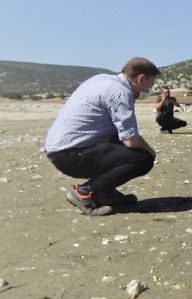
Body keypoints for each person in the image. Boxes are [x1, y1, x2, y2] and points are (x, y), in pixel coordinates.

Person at [43, 57, 159, 216]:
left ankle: (106, 193)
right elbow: (131, 139)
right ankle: (85, 192)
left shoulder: (102, 79)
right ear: (141, 79)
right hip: (70, 155)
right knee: (143, 158)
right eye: (150, 85)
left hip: (60, 150)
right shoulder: (120, 92)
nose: (149, 90)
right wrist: (151, 151)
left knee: (119, 145)